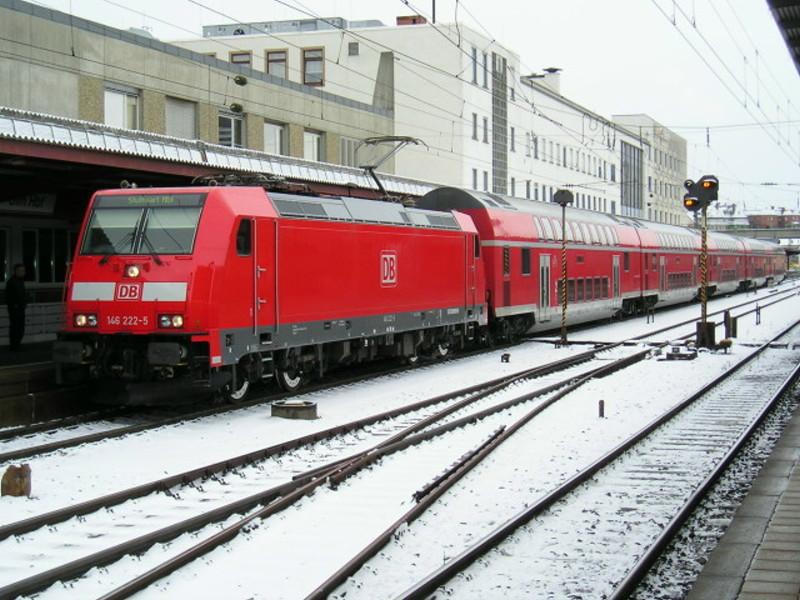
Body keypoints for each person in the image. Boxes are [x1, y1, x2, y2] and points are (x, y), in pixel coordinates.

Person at [5, 264, 26, 351]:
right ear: (16, 271)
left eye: (23, 271)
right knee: (15, 327)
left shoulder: (20, 281)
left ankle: (16, 345)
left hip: (20, 308)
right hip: (15, 308)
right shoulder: (11, 282)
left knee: (20, 327)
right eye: (21, 271)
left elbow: (22, 294)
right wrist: (14, 306)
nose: (23, 272)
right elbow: (8, 296)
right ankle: (14, 346)